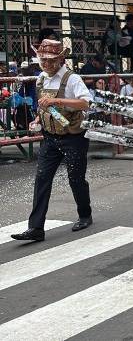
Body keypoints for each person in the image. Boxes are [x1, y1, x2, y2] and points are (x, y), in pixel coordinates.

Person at [10, 39, 93, 242]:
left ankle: (85, 215)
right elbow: (45, 107)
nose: (46, 64)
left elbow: (86, 103)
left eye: (50, 60)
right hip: (50, 137)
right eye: (42, 60)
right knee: (42, 179)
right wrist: (38, 118)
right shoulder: (41, 79)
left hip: (74, 137)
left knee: (76, 178)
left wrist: (57, 100)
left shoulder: (72, 79)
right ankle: (36, 228)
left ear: (60, 59)